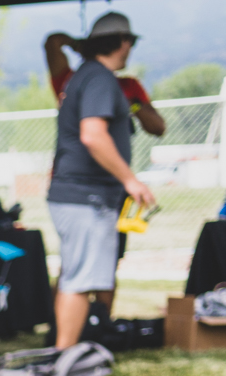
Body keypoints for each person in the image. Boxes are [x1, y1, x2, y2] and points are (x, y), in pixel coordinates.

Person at [48, 11, 157, 349]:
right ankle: (64, 358)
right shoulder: (99, 78)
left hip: (88, 196)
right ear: (123, 42)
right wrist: (131, 180)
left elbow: (157, 125)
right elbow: (93, 135)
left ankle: (77, 346)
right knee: (79, 281)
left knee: (81, 274)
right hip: (86, 196)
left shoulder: (88, 75)